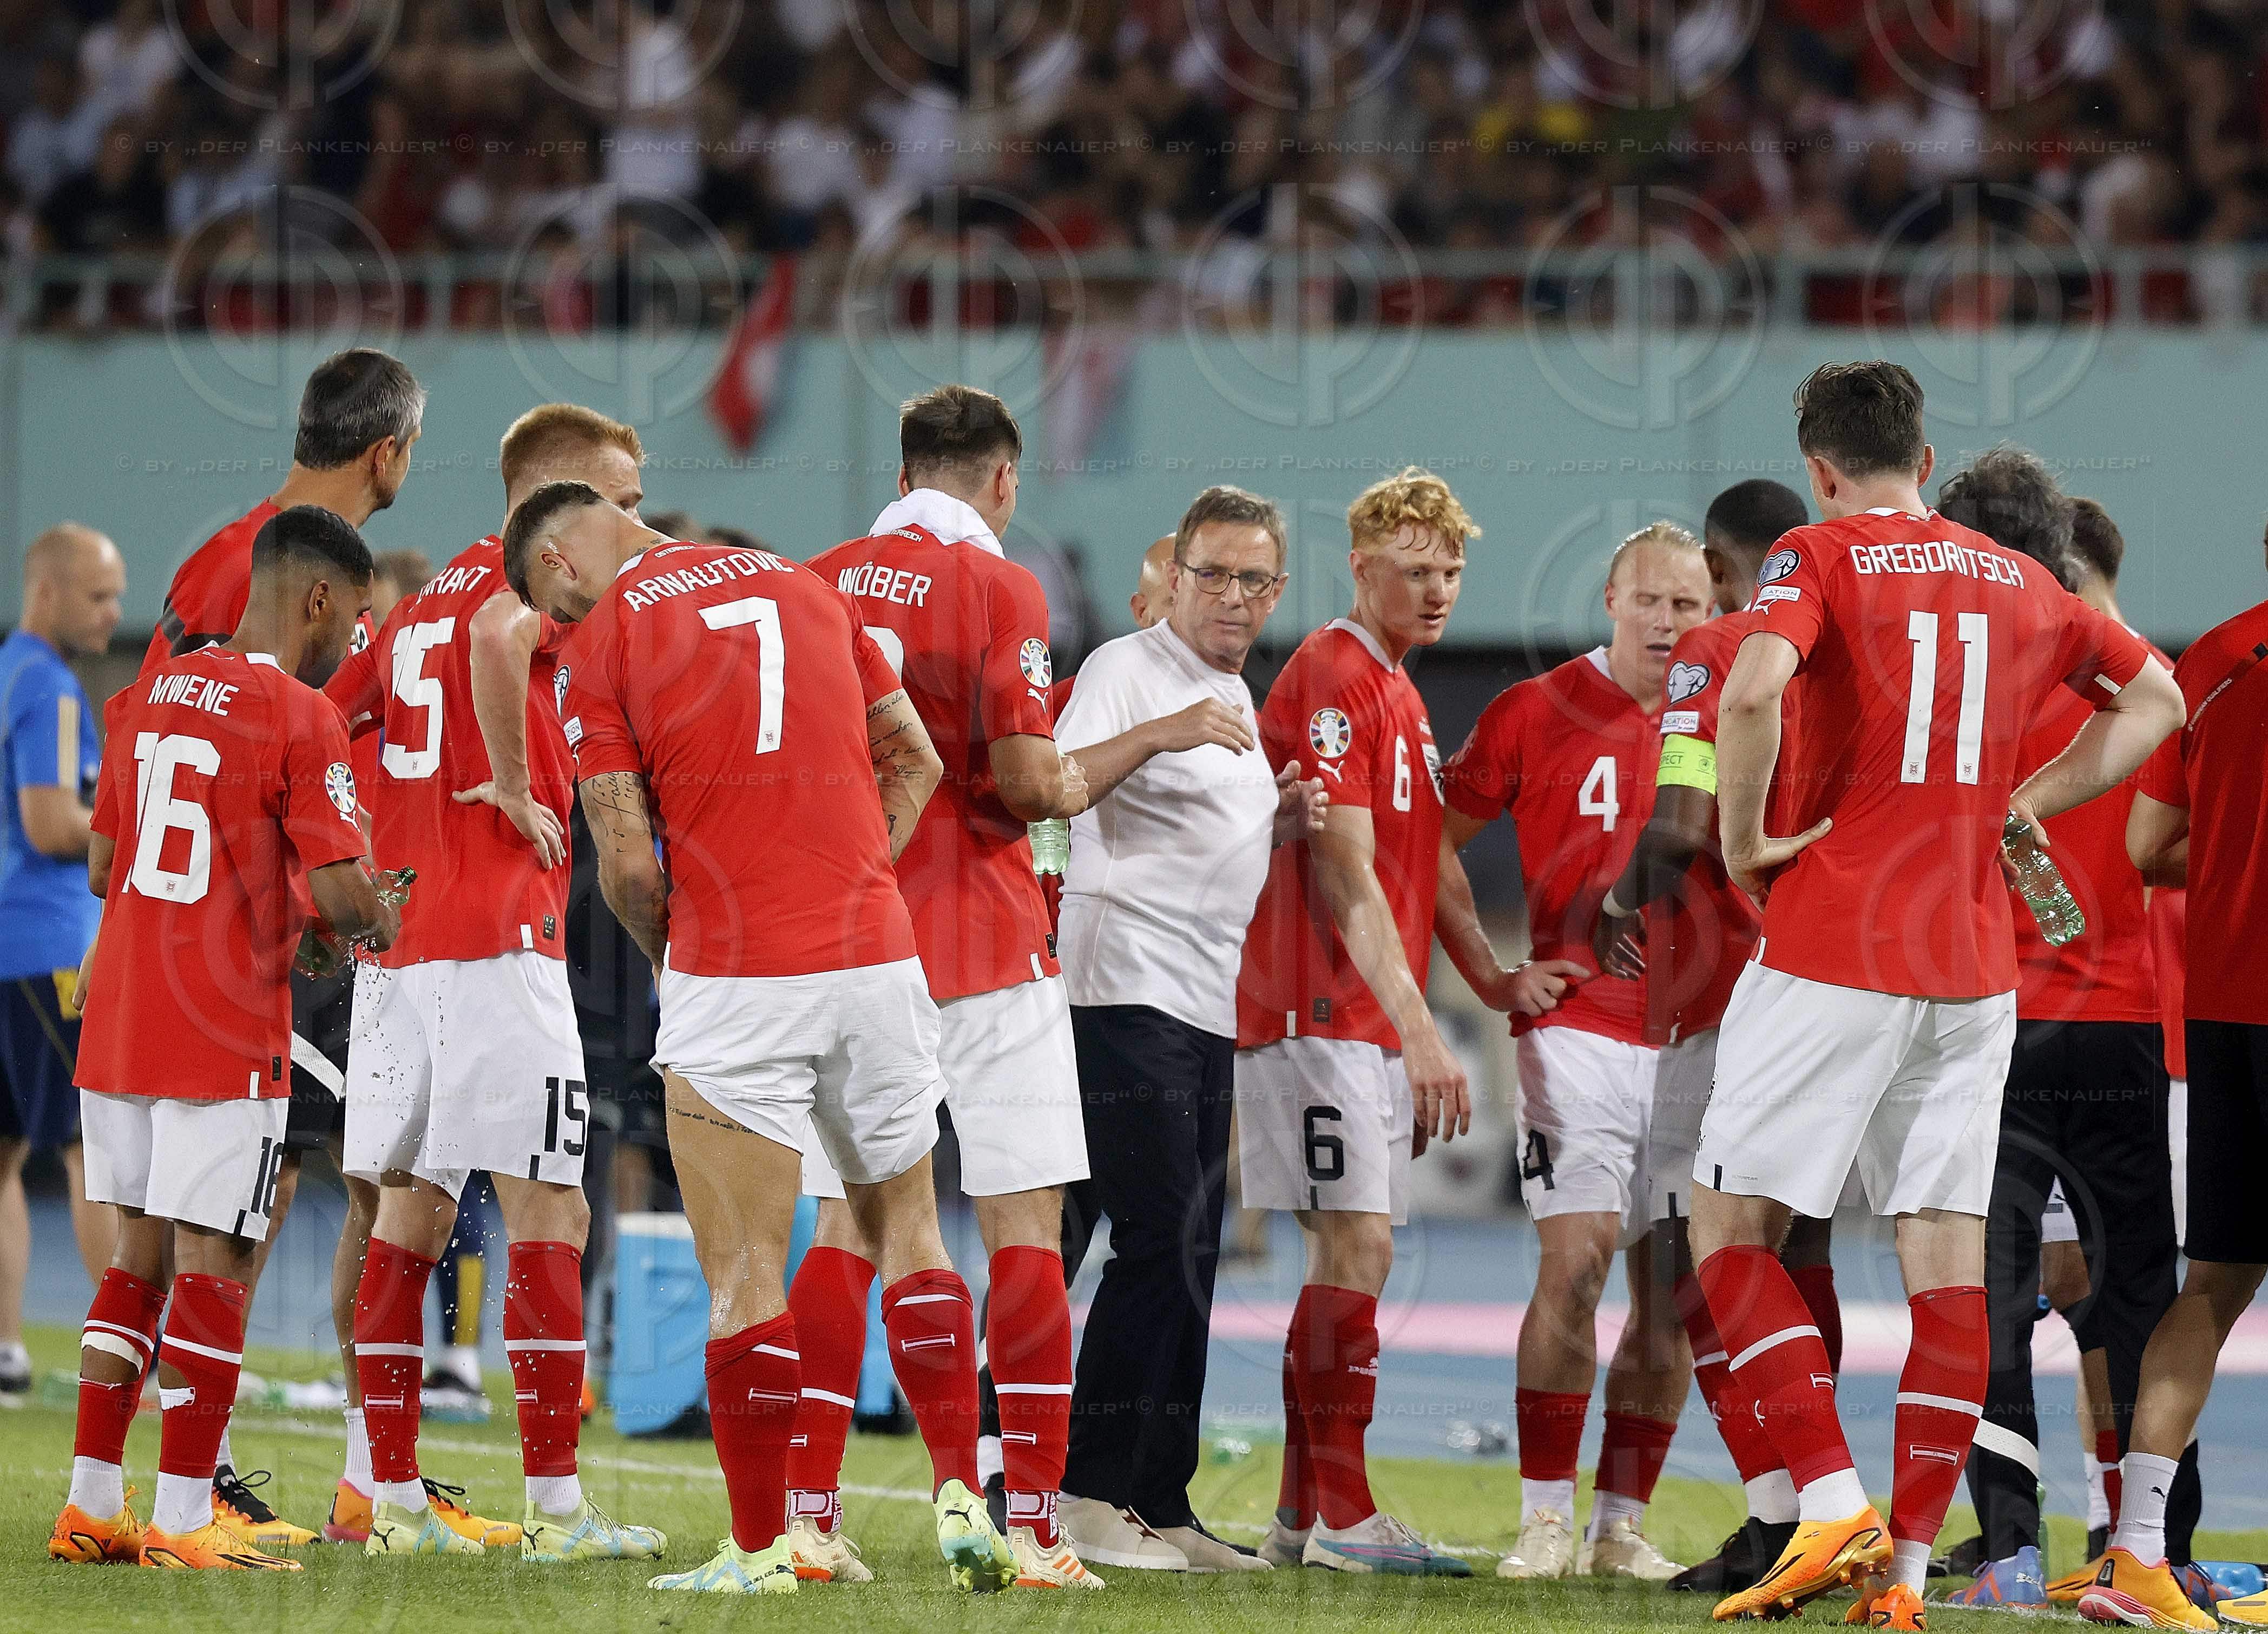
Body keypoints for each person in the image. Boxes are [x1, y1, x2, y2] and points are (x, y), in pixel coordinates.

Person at [1690, 360, 2180, 1629]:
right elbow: (2156, 700)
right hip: (1973, 966)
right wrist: (2032, 801)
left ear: (1817, 465)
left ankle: (1829, 1498)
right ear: (1922, 447)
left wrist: (1743, 839)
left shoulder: (1816, 552)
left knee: (1726, 1229)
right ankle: (1903, 1580)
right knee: (1947, 1269)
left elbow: (1748, 691)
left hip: (1833, 936)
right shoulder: (2023, 577)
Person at [508, 481, 1018, 1597]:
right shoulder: (804, 582)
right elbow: (919, 763)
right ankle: (961, 1495)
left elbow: (627, 860)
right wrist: (864, 875)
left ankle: (759, 1550)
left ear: (554, 562)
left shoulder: (604, 637)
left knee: (742, 1269)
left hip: (740, 970)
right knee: (916, 1234)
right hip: (877, 955)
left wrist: (670, 957)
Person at [320, 405, 661, 1563]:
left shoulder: (415, 601)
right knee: (550, 1211)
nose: (635, 519)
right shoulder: (528, 590)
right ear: (558, 506)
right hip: (497, 945)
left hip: (400, 953)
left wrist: (359, 851)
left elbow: (326, 722)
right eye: (618, 497)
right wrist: (514, 784)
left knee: (408, 1217)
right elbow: (504, 644)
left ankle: (393, 1497)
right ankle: (560, 1513)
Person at [48, 504, 398, 1570]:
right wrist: (378, 915)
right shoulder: (299, 714)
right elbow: (343, 890)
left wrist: (278, 901)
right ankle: (190, 1517)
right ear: (321, 600)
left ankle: (91, 1505)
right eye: (356, 620)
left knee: (136, 1265)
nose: (354, 644)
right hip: (223, 1031)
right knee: (215, 1264)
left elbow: (107, 866)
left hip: (119, 1029)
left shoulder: (141, 694)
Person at [796, 385, 1101, 1590]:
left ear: (906, 464)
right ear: (1001, 480)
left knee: (845, 1226)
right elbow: (1026, 781)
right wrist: (1086, 775)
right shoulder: (1001, 587)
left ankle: (811, 1521)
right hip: (980, 937)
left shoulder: (813, 578)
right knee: (1023, 1219)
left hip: (853, 946)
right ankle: (1032, 1529)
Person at [139, 346, 425, 1547]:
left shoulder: (259, 556)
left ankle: (199, 1466)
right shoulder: (249, 562)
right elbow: (170, 727)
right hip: (226, 939)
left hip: (288, 921)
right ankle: (181, 1475)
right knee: (220, 1204)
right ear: (388, 452)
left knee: (272, 1187)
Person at [1922, 455, 2190, 1612]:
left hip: (1987, 1019)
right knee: (2134, 1291)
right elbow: (2160, 853)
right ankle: (2144, 1548)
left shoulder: (1953, 679)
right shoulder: (2143, 680)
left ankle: (2007, 1549)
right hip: (2117, 1023)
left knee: (1991, 1292)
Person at [1239, 467, 1510, 1577]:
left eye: (1449, 569)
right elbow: (1347, 876)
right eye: (1413, 569)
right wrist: (1422, 1026)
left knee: (1348, 1248)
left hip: (1349, 1010)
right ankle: (1345, 1516)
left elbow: (1422, 866)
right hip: (1319, 1005)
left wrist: (1489, 982)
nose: (1436, 587)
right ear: (1360, 567)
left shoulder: (1395, 688)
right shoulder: (1334, 674)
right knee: (1359, 1241)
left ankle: (1302, 1518)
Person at [1049, 488, 1321, 1573]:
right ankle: (1085, 1491)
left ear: (1277, 588)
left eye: (1254, 578)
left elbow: (1199, 824)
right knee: (1152, 1238)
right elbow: (1056, 789)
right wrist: (1163, 729)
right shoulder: (1129, 667)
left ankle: (1159, 1497)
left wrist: (1275, 816)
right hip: (1123, 986)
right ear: (1174, 576)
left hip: (1203, 1003)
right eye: (1211, 573)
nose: (1231, 595)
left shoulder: (1229, 689)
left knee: (1194, 1253)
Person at [1586, 478, 1840, 1597]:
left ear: (1724, 566)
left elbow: (1683, 822)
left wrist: (1614, 893)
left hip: (1716, 988)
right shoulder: (1846, 655)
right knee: (1804, 1256)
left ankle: (1779, 1511)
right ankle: (1821, 1506)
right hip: (1831, 986)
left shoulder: (1713, 653)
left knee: (1704, 1265)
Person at [1444, 521, 1712, 1582]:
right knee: (1578, 1256)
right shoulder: (1530, 710)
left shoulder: (1731, 715)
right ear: (1610, 598)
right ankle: (1542, 1516)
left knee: (1670, 1287)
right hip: (1578, 1030)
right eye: (1647, 598)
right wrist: (1490, 975)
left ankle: (1617, 1525)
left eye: (1686, 605)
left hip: (1701, 1039)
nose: (1664, 620)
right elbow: (1426, 844)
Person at [2093, 523, 2268, 1631]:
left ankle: (2135, 1553)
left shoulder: (2210, 660)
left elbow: (2147, 846)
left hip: (2226, 1012)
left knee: (2209, 1283)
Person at [0, 524, 123, 1407]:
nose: (114, 613)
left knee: (4, 1154)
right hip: (50, 948)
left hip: (7, 945)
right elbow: (50, 825)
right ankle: (133, 1363)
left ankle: (7, 1351)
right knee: (94, 1152)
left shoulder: (5, 672)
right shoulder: (48, 685)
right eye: (98, 596)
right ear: (46, 593)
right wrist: (139, 828)